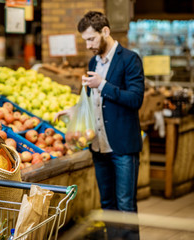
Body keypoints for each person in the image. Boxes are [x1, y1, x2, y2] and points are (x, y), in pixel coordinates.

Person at [57, 11, 144, 215]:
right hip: (98, 146)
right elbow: (91, 101)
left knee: (125, 206)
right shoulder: (93, 63)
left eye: (91, 39)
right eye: (85, 40)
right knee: (107, 205)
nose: (88, 45)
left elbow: (135, 100)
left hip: (122, 147)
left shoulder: (130, 60)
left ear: (105, 31)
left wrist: (103, 85)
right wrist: (74, 111)